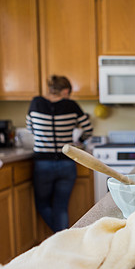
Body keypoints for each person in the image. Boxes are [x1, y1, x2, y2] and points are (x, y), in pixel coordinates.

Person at [26, 75, 93, 232]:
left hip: (43, 164)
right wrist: (80, 140)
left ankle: (62, 237)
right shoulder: (71, 105)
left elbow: (30, 129)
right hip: (66, 163)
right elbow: (88, 130)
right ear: (65, 91)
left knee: (42, 205)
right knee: (61, 207)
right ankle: (64, 237)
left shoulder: (36, 102)